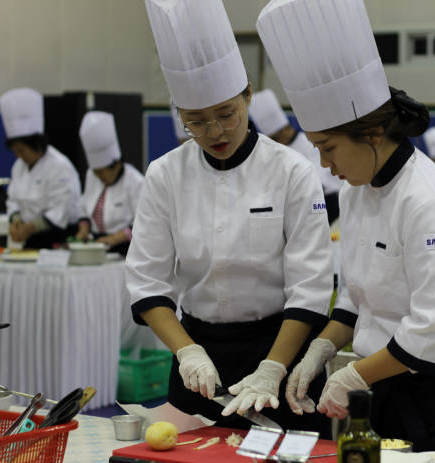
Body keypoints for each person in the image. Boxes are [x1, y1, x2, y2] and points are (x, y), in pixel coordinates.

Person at [257, 0, 435, 452]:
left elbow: (434, 329)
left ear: (374, 133)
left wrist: (354, 373)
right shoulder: (358, 192)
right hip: (387, 384)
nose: (324, 163)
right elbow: (358, 302)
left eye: (329, 147)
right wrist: (320, 350)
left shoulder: (432, 203)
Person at [126, 0, 334, 436]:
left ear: (248, 95)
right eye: (196, 123)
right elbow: (147, 283)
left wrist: (273, 368)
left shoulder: (292, 170)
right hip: (197, 358)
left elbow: (311, 286)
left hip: (279, 350)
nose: (215, 132)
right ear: (179, 115)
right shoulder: (165, 175)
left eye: (226, 114)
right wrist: (187, 353)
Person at [0, 87, 81, 249]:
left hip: (57, 239)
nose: (19, 156)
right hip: (30, 240)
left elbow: (61, 209)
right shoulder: (19, 167)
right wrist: (15, 221)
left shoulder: (59, 165)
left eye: (22, 150)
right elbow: (13, 200)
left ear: (36, 144)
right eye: (15, 151)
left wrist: (31, 227)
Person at [249, 89, 342, 223]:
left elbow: (322, 183)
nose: (274, 142)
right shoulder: (270, 152)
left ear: (285, 129)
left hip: (325, 205)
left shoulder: (311, 143)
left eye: (275, 137)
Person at [75, 111, 144, 256]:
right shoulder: (91, 175)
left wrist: (114, 238)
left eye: (102, 172)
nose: (98, 177)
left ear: (117, 165)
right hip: (97, 246)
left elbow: (144, 223)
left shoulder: (135, 182)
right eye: (96, 172)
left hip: (126, 250)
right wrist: (84, 229)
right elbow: (84, 207)